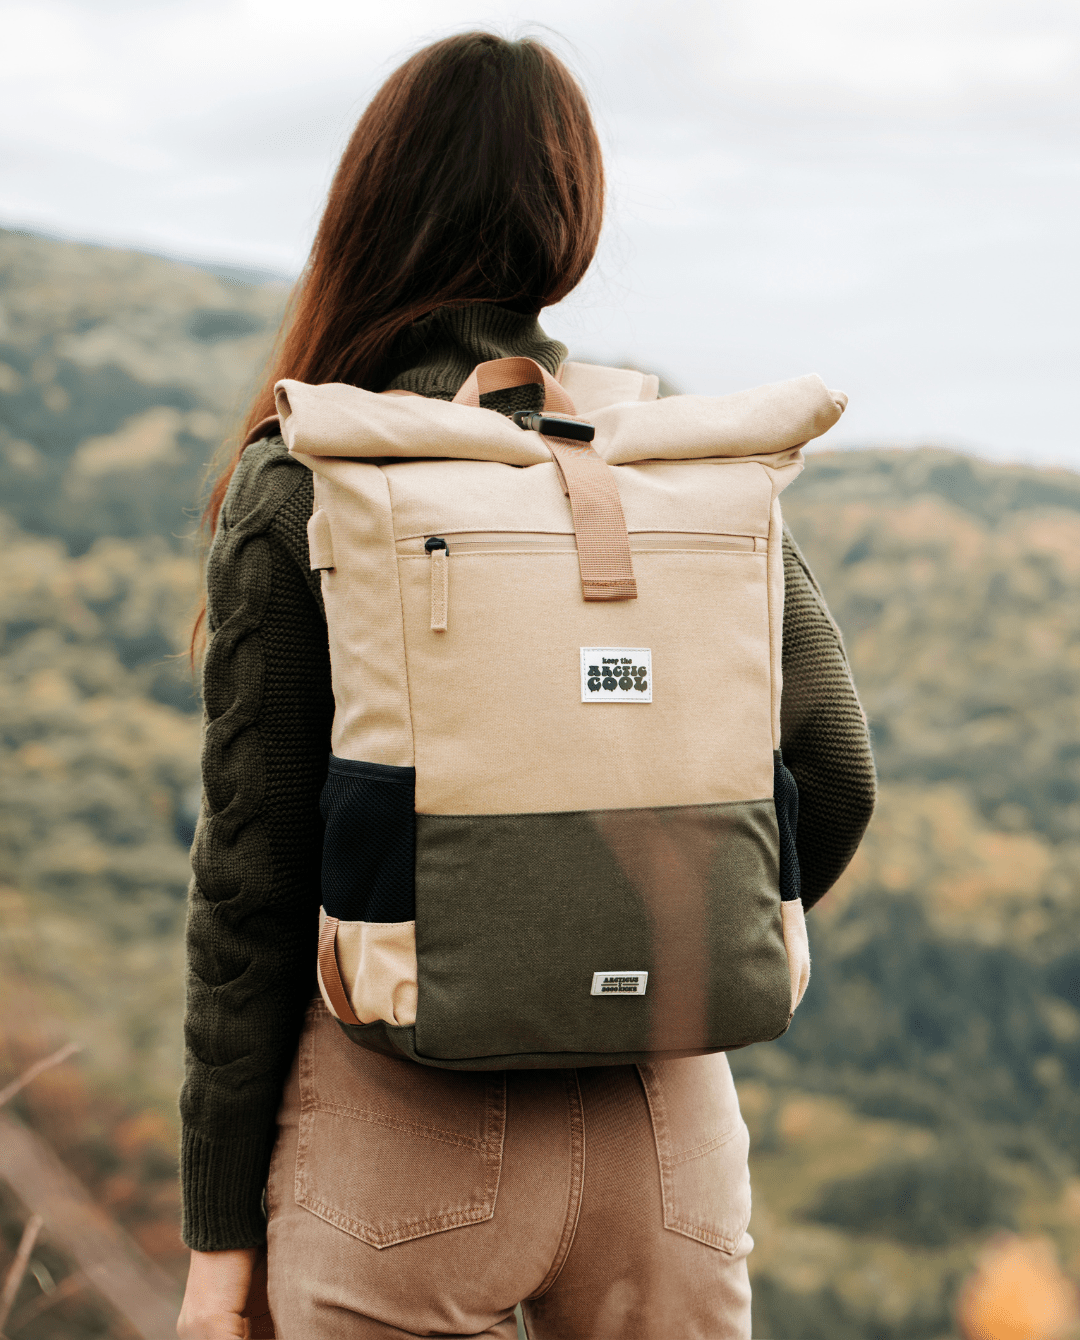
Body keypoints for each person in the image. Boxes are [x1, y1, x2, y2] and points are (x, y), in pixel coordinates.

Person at [176, 31, 876, 1340]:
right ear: (572, 220)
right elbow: (835, 775)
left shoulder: (312, 473)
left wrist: (220, 1244)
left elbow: (252, 886)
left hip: (403, 1129)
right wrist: (634, 941)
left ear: (367, 203)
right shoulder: (658, 472)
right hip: (670, 1129)